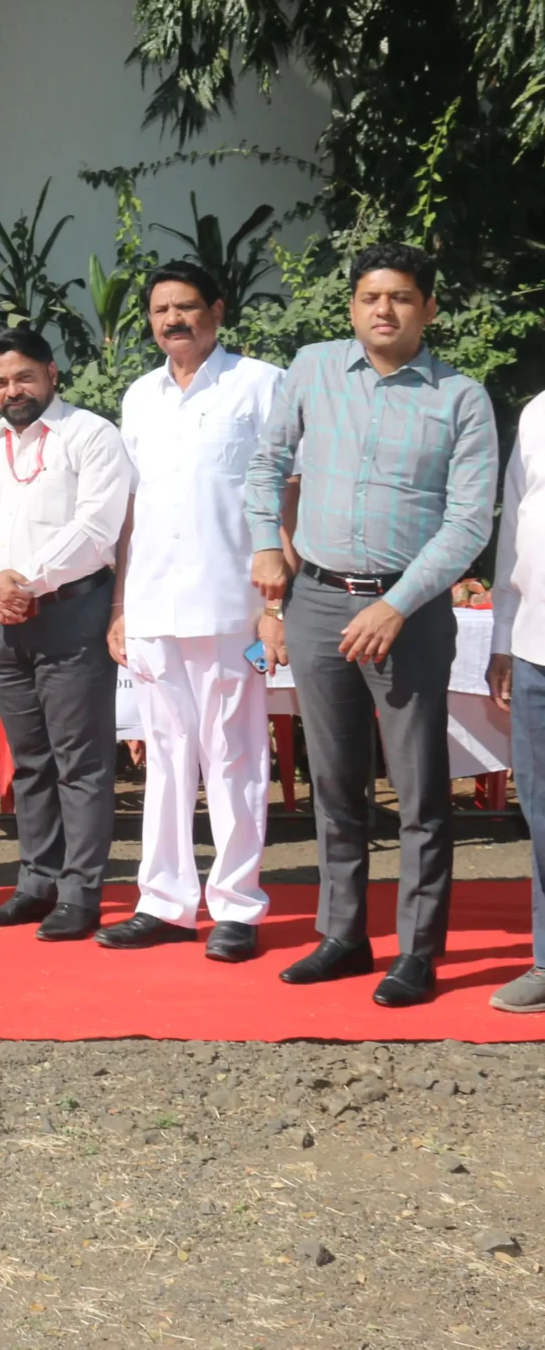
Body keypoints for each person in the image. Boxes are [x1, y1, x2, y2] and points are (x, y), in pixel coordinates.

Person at [251, 241, 498, 1007]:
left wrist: (398, 604)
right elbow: (266, 463)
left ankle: (417, 952)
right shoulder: (313, 368)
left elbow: (469, 522)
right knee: (334, 781)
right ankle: (344, 935)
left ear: (429, 307)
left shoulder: (461, 397)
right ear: (353, 305)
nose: (382, 309)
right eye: (369, 296)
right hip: (318, 600)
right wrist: (267, 546)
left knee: (419, 791)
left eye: (400, 297)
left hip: (409, 611)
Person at [98, 263, 283, 960]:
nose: (172, 320)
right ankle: (165, 902)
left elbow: (286, 492)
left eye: (186, 307)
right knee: (166, 758)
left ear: (217, 310)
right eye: (160, 310)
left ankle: (238, 906)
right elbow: (132, 508)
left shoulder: (260, 384)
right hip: (152, 603)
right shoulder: (140, 396)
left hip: (234, 605)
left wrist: (277, 603)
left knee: (236, 756)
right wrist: (121, 603)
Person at [0, 325, 134, 942]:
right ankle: (37, 882)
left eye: (24, 377)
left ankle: (80, 893)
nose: (12, 390)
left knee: (80, 761)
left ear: (52, 373)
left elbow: (97, 525)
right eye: (0, 381)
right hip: (2, 617)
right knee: (29, 761)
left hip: (71, 613)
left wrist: (27, 581)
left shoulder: (91, 435)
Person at [489, 383, 545, 1013]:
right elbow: (515, 534)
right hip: (535, 646)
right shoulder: (538, 412)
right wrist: (502, 637)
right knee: (542, 813)